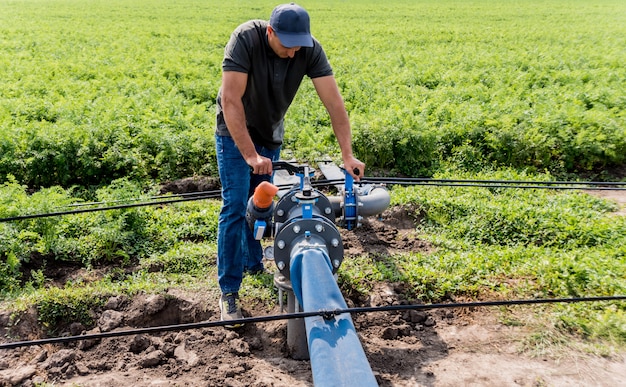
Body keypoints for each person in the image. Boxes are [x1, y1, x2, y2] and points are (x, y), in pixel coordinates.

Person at [214, 2, 365, 327]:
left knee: (261, 203)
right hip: (234, 129)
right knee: (236, 206)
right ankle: (229, 291)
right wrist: (250, 155)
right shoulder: (245, 40)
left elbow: (335, 104)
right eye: (288, 43)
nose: (295, 50)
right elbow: (230, 100)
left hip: (270, 131)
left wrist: (347, 155)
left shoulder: (308, 50)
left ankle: (254, 264)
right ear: (271, 32)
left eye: (300, 44)